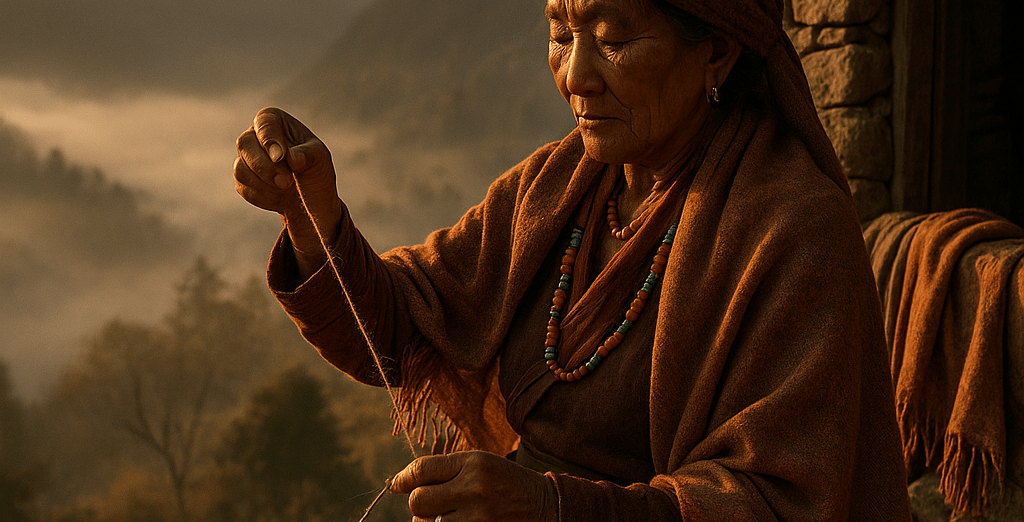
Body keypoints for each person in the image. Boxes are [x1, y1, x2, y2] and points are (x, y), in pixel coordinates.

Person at [233, 0, 913, 520]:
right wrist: (313, 213)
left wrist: (555, 508)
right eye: (560, 34)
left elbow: (775, 499)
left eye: (614, 40)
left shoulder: (792, 231)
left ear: (718, 52)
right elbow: (404, 327)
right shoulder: (559, 187)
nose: (576, 76)